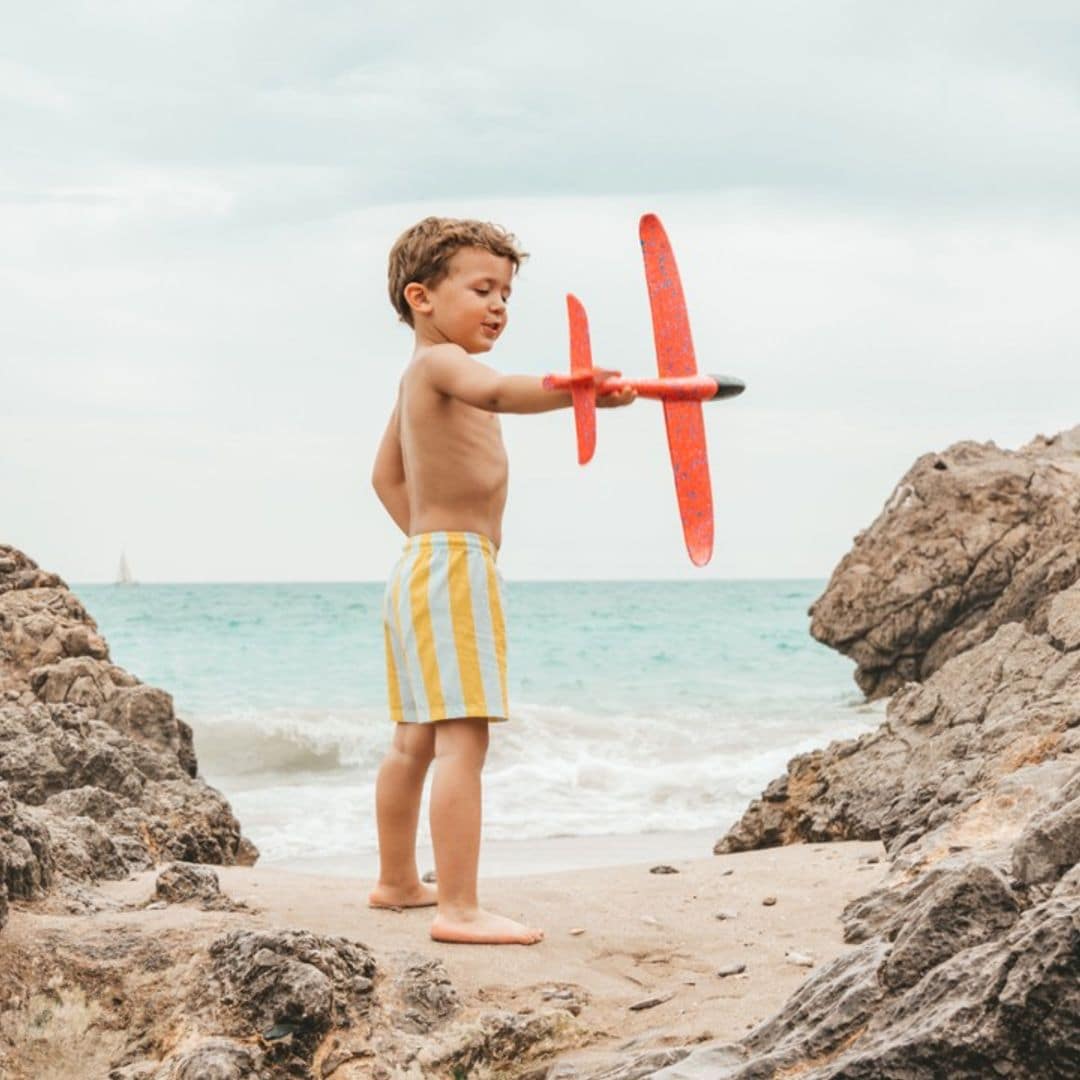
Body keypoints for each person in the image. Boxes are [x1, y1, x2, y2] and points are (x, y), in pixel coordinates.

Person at [368, 216, 636, 944]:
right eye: (482, 288)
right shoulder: (444, 365)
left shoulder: (416, 379)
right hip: (451, 566)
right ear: (421, 297)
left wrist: (426, 541)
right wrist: (573, 390)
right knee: (463, 740)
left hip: (423, 564)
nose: (499, 306)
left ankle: (397, 881)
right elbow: (497, 394)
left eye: (507, 294)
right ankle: (457, 908)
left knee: (413, 742)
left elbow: (383, 476)